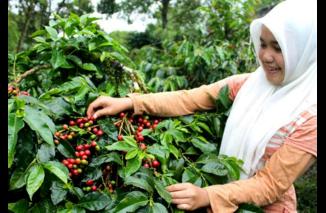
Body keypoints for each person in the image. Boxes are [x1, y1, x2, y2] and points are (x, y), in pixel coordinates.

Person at [86, 0, 316, 212]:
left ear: (303, 51)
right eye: (263, 44)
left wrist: (208, 195)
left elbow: (271, 185)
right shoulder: (249, 84)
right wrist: (131, 101)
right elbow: (190, 98)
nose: (265, 56)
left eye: (278, 48)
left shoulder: (310, 117)